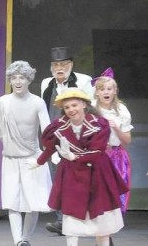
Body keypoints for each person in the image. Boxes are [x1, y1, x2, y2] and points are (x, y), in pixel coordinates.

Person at [28, 88, 127, 246]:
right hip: (72, 174)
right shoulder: (60, 125)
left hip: (97, 172)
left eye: (74, 105)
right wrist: (38, 162)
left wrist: (75, 157)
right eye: (67, 107)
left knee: (101, 220)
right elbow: (51, 147)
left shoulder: (99, 123)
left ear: (84, 104)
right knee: (72, 217)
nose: (71, 110)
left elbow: (97, 150)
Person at [0, 61, 52, 246]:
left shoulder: (37, 102)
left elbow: (48, 130)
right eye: (14, 77)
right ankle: (18, 241)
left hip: (32, 159)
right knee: (12, 203)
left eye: (22, 77)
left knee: (33, 205)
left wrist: (51, 152)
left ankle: (25, 239)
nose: (18, 81)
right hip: (10, 159)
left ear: (28, 79)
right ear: (10, 80)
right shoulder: (2, 103)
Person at [39, 46, 94, 235]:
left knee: (80, 180)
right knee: (59, 180)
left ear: (70, 65)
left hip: (78, 137)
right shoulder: (46, 83)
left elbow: (90, 108)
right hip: (56, 138)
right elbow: (45, 111)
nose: (59, 68)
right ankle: (63, 220)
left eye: (63, 64)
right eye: (55, 65)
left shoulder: (83, 80)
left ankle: (84, 220)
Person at [92, 68, 133, 213]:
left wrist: (116, 128)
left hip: (116, 157)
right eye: (102, 89)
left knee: (116, 195)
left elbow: (127, 140)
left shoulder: (121, 111)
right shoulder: (92, 111)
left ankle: (110, 228)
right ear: (97, 92)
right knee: (99, 194)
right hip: (98, 156)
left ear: (115, 91)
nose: (106, 92)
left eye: (109, 89)